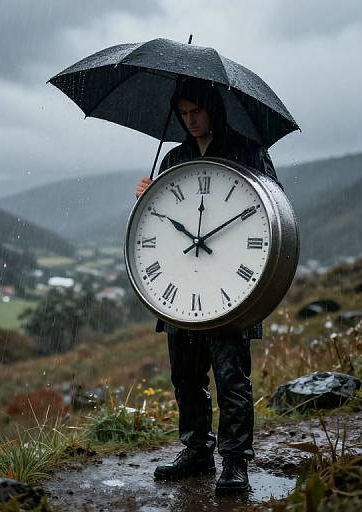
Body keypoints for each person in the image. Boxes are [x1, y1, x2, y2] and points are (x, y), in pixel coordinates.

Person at [135, 78, 281, 492]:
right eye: (183, 113)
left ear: (213, 108)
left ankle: (235, 462)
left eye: (196, 110)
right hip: (182, 287)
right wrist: (148, 197)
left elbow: (274, 205)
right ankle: (197, 451)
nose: (191, 119)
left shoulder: (248, 150)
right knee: (185, 376)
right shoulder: (175, 158)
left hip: (234, 286)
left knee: (231, 379)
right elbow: (161, 218)